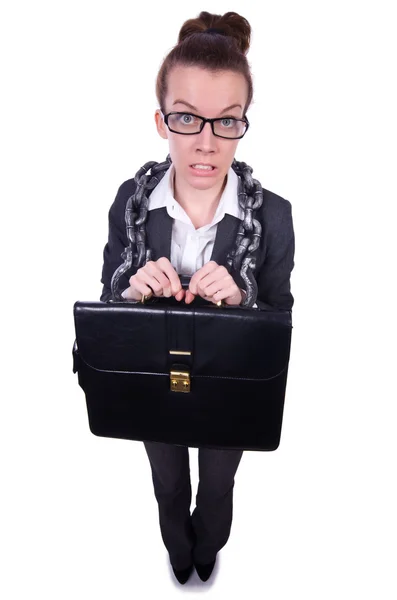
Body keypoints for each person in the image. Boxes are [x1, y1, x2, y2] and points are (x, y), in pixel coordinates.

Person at [99, 10, 295, 585]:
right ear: (161, 121)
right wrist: (130, 292)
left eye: (227, 121)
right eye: (187, 118)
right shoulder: (128, 201)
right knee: (166, 481)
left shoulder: (274, 217)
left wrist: (243, 299)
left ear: (243, 122)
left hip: (228, 383)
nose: (206, 143)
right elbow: (104, 298)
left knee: (217, 486)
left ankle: (207, 549)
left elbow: (282, 317)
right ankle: (176, 553)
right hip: (152, 380)